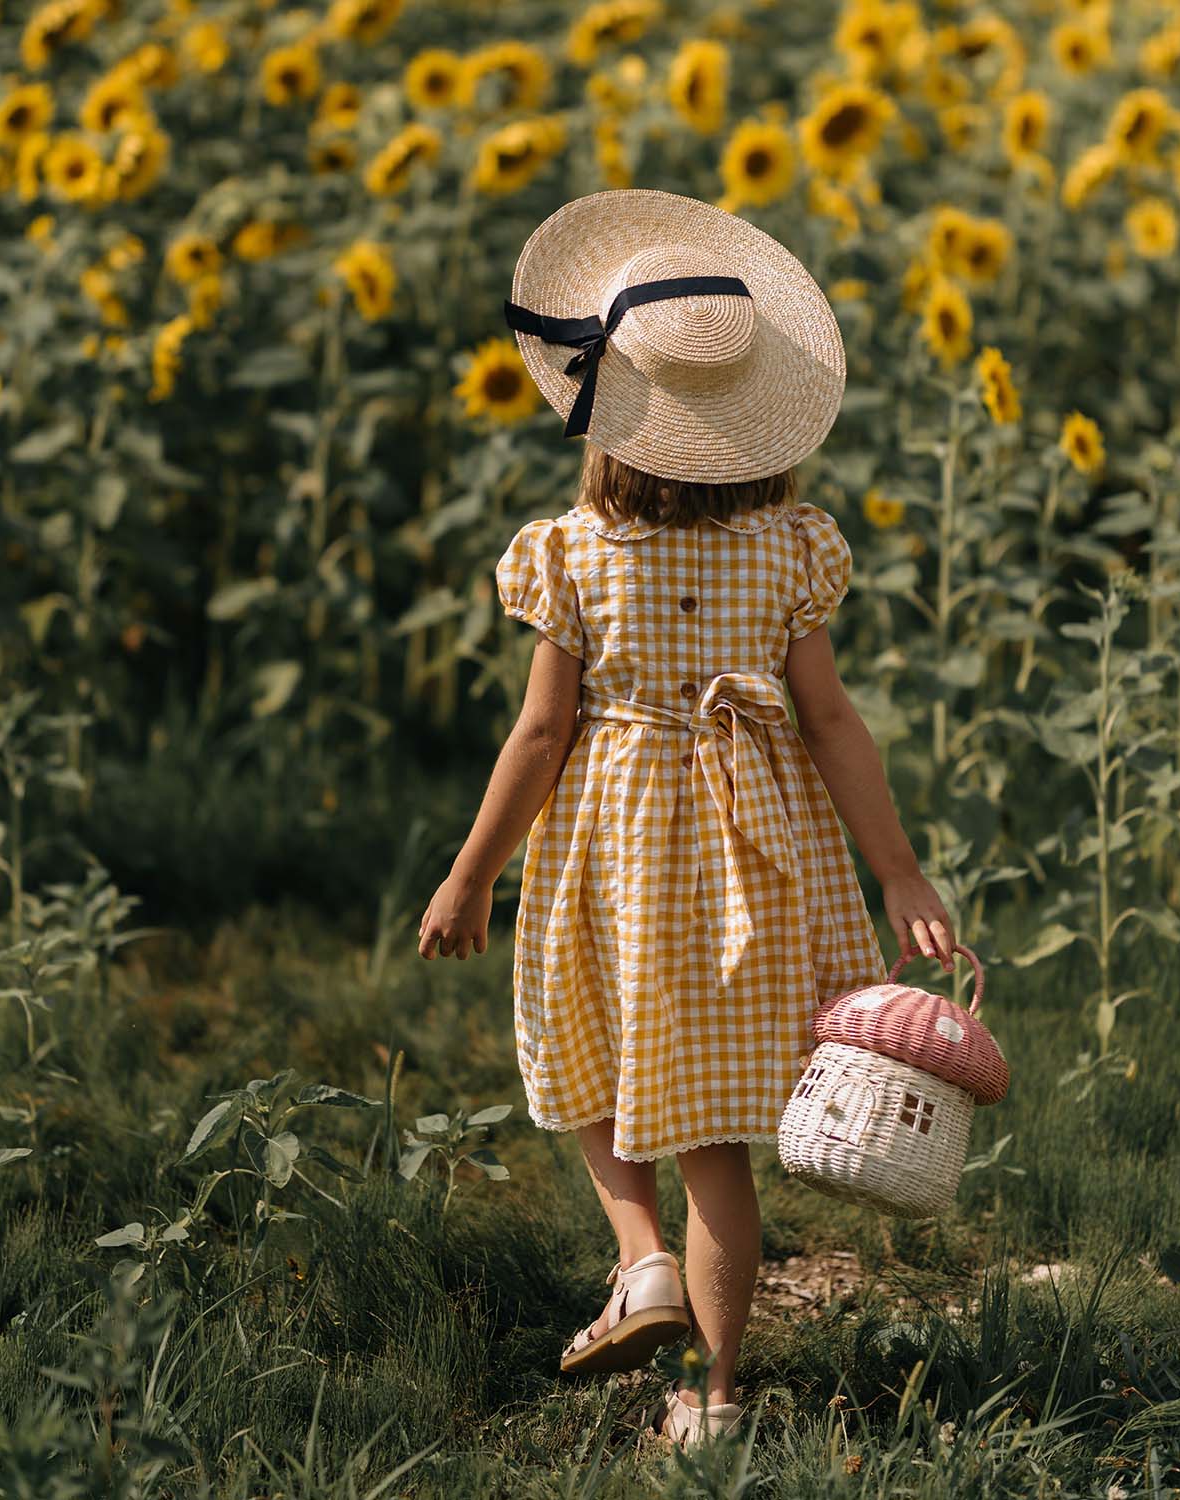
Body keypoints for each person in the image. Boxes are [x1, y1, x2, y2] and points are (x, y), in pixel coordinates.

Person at [417, 188, 956, 1450]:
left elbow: (542, 736)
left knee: (586, 1043)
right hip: (754, 845)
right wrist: (901, 875)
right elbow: (833, 726)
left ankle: (640, 1256)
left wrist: (468, 874)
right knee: (714, 1126)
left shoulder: (572, 551)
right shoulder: (792, 547)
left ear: (603, 406)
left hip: (615, 834)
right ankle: (713, 1403)